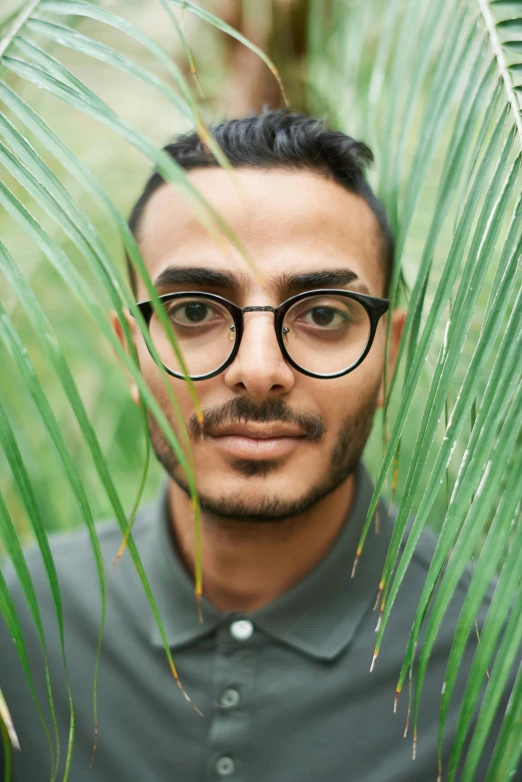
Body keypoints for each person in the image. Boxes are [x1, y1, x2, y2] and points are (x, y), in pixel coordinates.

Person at [0, 111, 518, 781]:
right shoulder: (21, 623)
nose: (259, 368)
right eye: (194, 311)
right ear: (131, 355)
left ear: (389, 357)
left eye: (324, 314)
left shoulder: (497, 659)